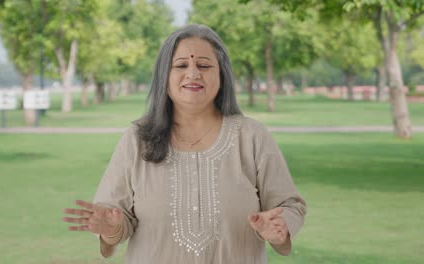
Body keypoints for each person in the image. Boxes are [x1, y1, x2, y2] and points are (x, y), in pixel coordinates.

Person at [63, 24, 307, 263]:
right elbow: (114, 216)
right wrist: (111, 227)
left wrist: (279, 227)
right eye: (181, 65)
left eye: (204, 65)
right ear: (163, 77)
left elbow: (289, 205)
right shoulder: (137, 140)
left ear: (221, 75)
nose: (193, 74)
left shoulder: (252, 136)